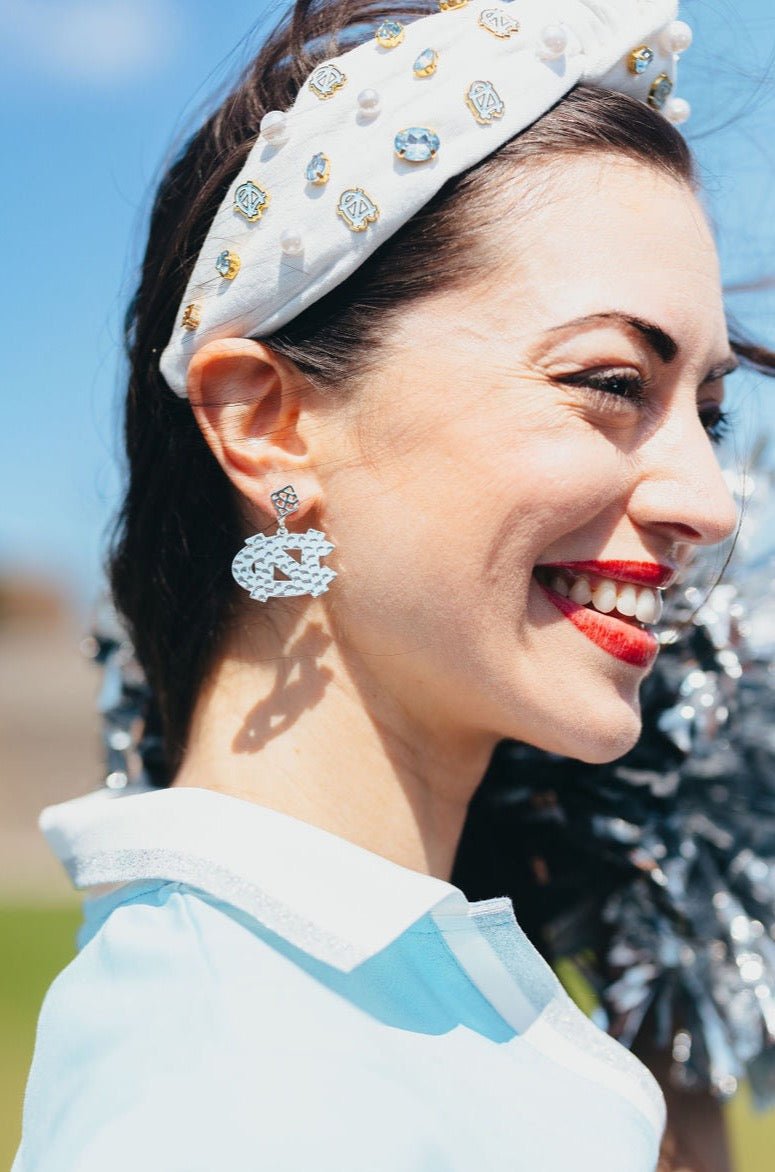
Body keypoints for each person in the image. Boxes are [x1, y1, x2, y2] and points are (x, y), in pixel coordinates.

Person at [14, 1, 757, 1168]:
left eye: (707, 413)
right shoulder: (231, 1097)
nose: (708, 501)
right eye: (612, 380)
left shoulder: (361, 1010)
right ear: (266, 422)